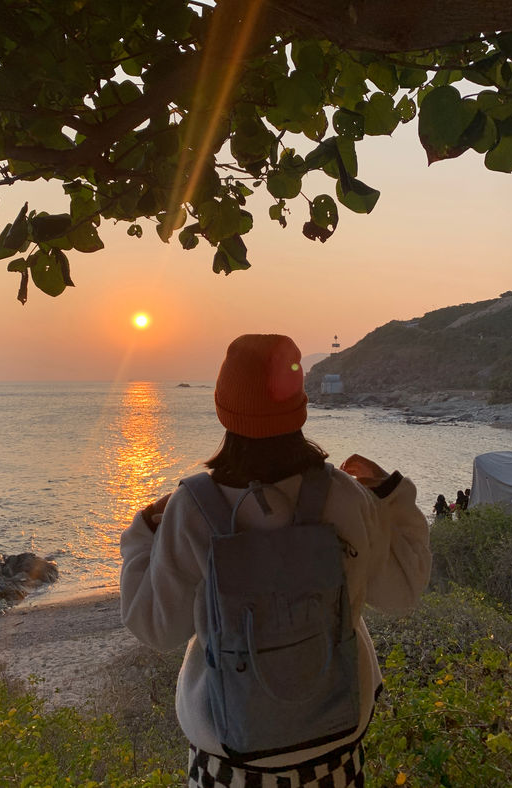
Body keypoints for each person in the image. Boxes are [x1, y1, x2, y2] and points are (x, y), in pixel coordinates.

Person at [120, 334, 431, 788]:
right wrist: (393, 495)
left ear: (224, 408)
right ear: (300, 405)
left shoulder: (192, 506)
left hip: (229, 764)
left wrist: (143, 531)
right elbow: (403, 591)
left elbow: (156, 629)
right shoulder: (345, 496)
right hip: (335, 756)